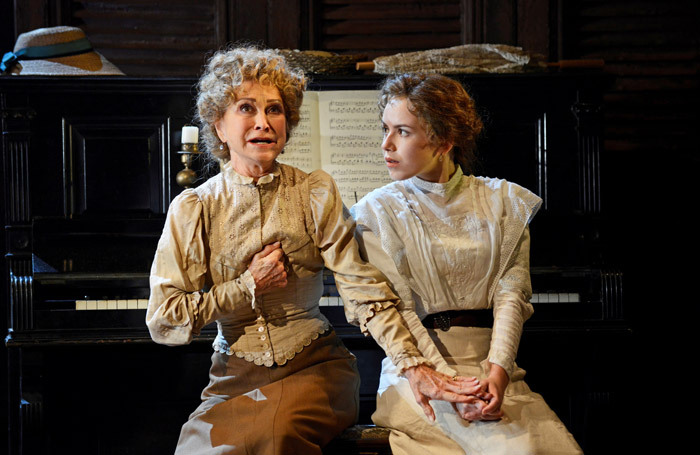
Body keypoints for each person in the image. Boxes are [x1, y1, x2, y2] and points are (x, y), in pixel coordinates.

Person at [146, 47, 470, 455]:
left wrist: (412, 364)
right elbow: (163, 321)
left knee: (275, 438)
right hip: (233, 377)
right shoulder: (196, 208)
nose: (263, 123)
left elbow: (359, 284)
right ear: (219, 126)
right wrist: (247, 286)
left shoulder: (314, 191)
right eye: (247, 108)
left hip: (315, 368)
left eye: (275, 110)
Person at [351, 73, 583, 455]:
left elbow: (512, 295)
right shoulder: (376, 211)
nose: (385, 145)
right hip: (417, 369)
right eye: (385, 129)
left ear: (443, 141)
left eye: (402, 132)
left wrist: (499, 371)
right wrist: (443, 384)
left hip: (490, 363)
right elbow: (397, 310)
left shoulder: (504, 201)